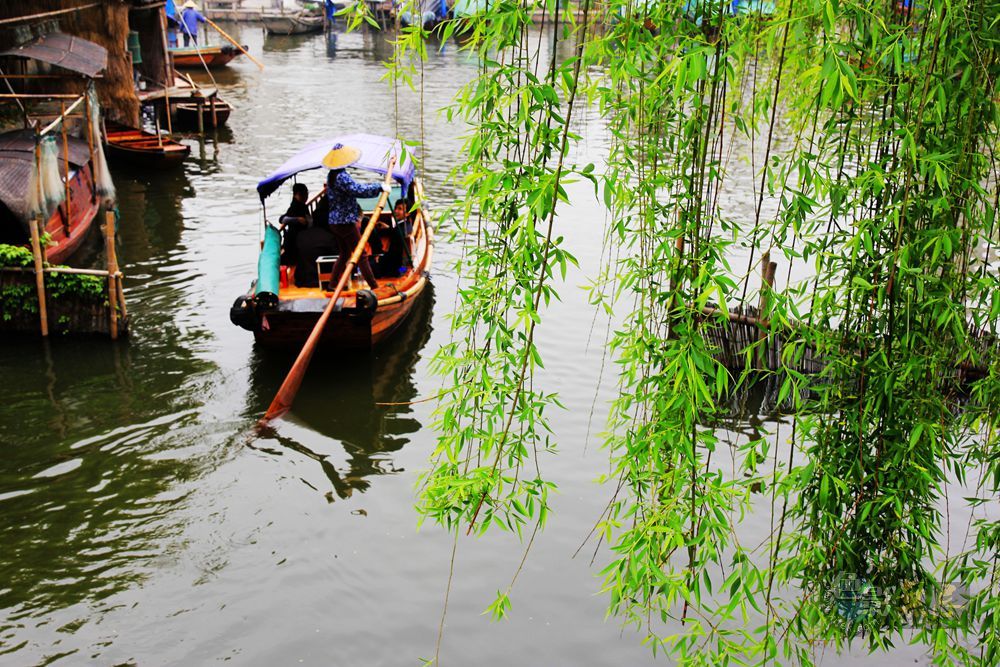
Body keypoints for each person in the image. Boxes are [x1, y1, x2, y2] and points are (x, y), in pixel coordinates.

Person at [322, 143, 390, 290]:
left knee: (345, 253)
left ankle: (332, 285)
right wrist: (378, 187)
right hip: (345, 222)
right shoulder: (341, 176)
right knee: (362, 254)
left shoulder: (332, 175)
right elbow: (358, 190)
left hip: (335, 222)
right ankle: (374, 286)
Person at [279, 183, 311, 267]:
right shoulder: (294, 206)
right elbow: (282, 219)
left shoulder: (303, 206)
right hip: (295, 242)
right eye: (303, 194)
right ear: (296, 195)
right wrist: (297, 219)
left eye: (306, 194)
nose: (306, 196)